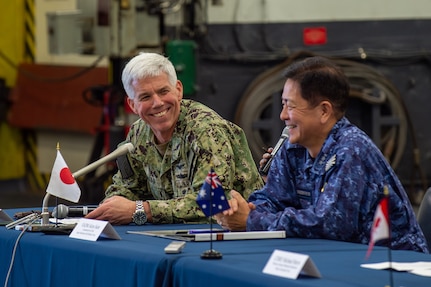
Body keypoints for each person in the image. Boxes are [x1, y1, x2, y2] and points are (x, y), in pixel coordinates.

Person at [215, 56, 429, 253]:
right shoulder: (292, 146)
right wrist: (244, 209)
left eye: (290, 106)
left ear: (324, 111)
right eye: (283, 104)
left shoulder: (351, 149)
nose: (282, 116)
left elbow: (330, 224)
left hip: (395, 267)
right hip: (340, 258)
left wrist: (252, 221)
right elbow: (272, 198)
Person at [86, 52, 263, 225]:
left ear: (178, 90)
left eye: (163, 91)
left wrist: (140, 210)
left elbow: (210, 204)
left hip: (234, 234)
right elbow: (128, 186)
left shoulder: (206, 131)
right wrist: (111, 205)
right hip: (173, 235)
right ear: (132, 104)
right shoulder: (138, 133)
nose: (157, 103)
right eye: (145, 96)